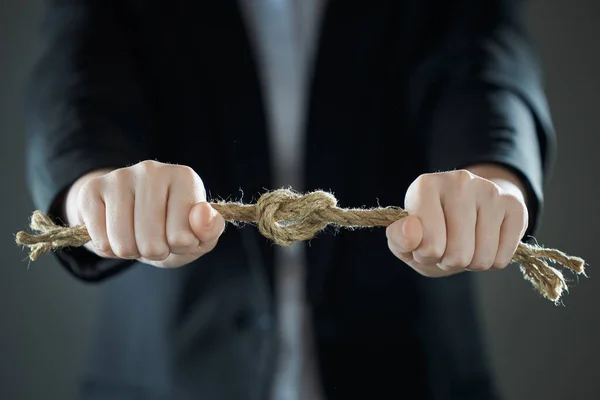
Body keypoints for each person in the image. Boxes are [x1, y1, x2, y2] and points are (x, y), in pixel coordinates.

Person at [24, 0, 554, 399]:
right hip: (163, 375)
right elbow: (76, 79)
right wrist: (92, 186)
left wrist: (494, 178)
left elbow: (483, 64)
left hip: (412, 370)